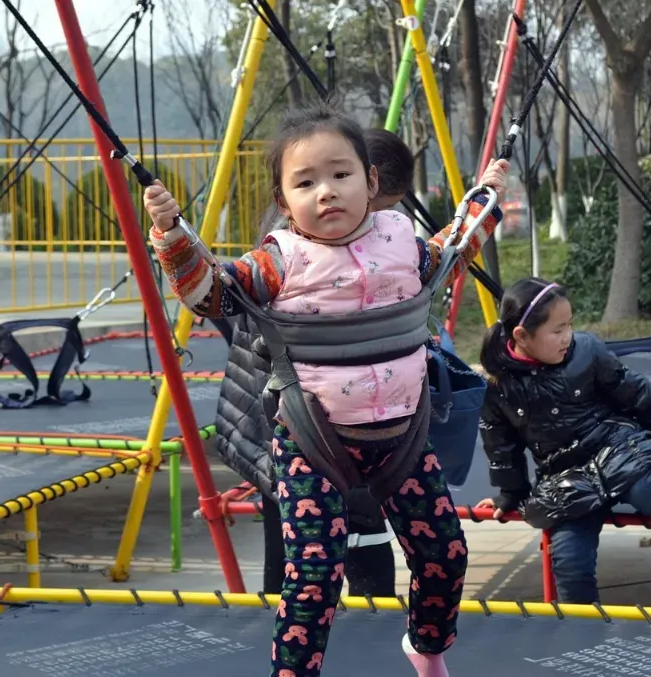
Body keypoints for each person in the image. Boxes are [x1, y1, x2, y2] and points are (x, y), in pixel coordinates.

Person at [145, 103, 509, 677]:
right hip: (313, 441)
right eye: (306, 182)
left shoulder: (402, 243)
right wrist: (172, 235)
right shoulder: (278, 261)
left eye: (341, 175)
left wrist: (486, 200)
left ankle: (427, 644)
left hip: (402, 436)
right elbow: (210, 293)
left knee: (445, 554)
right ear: (284, 201)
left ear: (371, 182)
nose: (327, 193)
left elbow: (453, 251)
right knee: (314, 575)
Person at [209, 127, 417, 600]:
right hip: (300, 416)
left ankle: (326, 625)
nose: (380, 229)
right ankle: (351, 625)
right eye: (384, 210)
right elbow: (218, 295)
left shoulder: (312, 226)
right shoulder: (300, 250)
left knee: (294, 548)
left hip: (283, 413)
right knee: (317, 551)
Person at [475, 277, 651, 605]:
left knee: (649, 493)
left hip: (616, 447)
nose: (567, 337)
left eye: (569, 325)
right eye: (557, 330)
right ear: (522, 336)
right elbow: (500, 445)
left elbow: (636, 392)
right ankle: (584, 629)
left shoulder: (586, 352)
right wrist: (510, 494)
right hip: (566, 475)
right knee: (570, 563)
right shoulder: (500, 386)